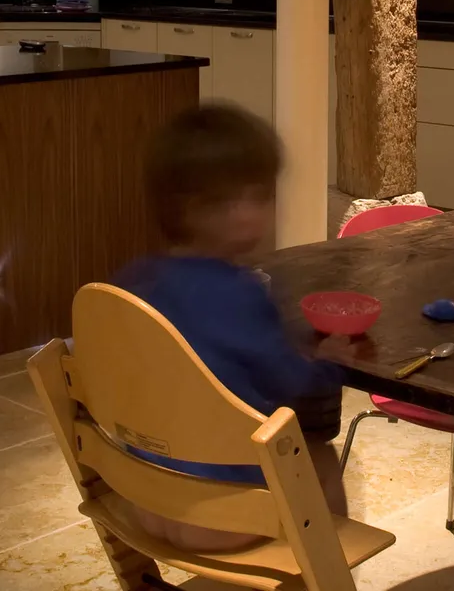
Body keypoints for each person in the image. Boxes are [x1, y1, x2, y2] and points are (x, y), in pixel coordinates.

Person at [109, 103, 347, 552]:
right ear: (187, 210)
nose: (251, 214)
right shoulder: (238, 294)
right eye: (231, 200)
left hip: (145, 501)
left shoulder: (133, 282)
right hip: (224, 517)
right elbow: (289, 382)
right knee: (318, 454)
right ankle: (325, 572)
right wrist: (328, 364)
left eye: (260, 196)